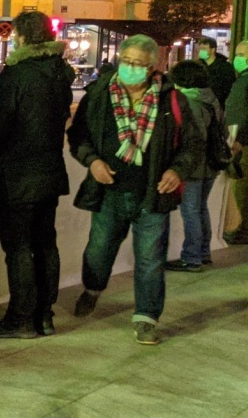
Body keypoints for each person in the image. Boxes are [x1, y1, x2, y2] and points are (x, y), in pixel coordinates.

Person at [67, 34, 201, 346]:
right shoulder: (99, 94)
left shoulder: (172, 100)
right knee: (99, 252)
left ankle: (147, 318)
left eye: (139, 64)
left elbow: (193, 145)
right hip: (109, 191)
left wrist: (176, 170)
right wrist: (93, 162)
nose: (131, 68)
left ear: (154, 67)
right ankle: (93, 288)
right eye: (127, 62)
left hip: (152, 194)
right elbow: (78, 137)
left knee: (150, 259)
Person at [0, 11, 75, 338]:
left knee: (18, 249)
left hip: (16, 175)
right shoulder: (59, 74)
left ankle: (21, 318)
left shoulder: (18, 76)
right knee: (45, 244)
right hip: (47, 171)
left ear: (22, 37)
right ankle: (44, 315)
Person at [165, 61, 229, 273]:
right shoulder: (211, 98)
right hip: (211, 163)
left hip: (195, 165)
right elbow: (223, 131)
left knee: (190, 210)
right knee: (201, 208)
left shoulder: (190, 101)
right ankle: (203, 252)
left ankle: (192, 258)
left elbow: (193, 138)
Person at [224, 40, 248, 244]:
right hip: (243, 138)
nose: (237, 58)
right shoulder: (245, 77)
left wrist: (241, 138)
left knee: (243, 185)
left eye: (241, 54)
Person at [196, 36, 236, 106]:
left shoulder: (225, 67)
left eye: (204, 48)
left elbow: (229, 89)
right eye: (200, 48)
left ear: (213, 50)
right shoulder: (197, 66)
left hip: (218, 106)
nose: (201, 51)